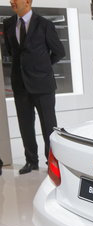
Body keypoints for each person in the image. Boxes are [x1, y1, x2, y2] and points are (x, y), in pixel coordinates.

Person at [3, 0, 65, 174]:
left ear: (27, 2)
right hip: (20, 84)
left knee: (48, 125)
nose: (11, 2)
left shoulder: (44, 25)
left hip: (43, 84)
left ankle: (52, 161)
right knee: (25, 125)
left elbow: (59, 51)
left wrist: (42, 66)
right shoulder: (8, 23)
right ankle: (31, 161)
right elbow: (10, 51)